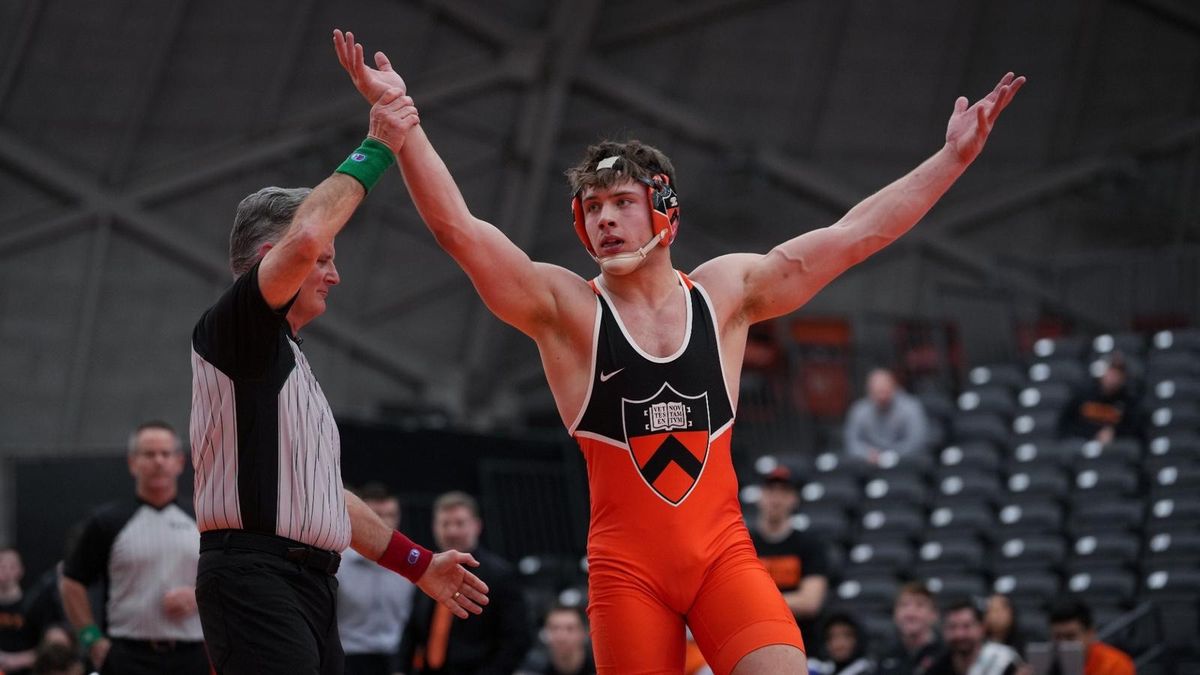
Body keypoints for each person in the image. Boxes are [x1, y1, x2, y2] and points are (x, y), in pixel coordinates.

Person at [333, 28, 1024, 674]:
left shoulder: (725, 293)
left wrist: (951, 159)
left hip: (724, 559)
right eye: (592, 205)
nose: (603, 217)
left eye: (620, 202)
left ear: (663, 212)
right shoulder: (566, 310)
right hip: (626, 575)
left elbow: (853, 236)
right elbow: (461, 231)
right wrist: (405, 126)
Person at [188, 92, 488, 675]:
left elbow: (330, 503)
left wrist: (419, 564)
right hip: (252, 577)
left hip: (308, 583)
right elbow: (303, 238)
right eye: (324, 260)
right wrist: (379, 146)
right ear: (275, 260)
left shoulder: (292, 363)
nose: (334, 273)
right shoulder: (235, 328)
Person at [58, 421, 208, 675]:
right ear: (132, 462)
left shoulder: (203, 519)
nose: (158, 461)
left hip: (193, 654)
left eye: (166, 453)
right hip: (128, 656)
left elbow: (229, 579)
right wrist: (90, 639)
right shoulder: (107, 522)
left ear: (179, 462)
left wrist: (198, 596)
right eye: (149, 454)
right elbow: (71, 582)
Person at [399, 491, 530, 674]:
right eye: (445, 524)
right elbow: (412, 630)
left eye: (459, 523)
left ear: (477, 526)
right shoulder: (427, 569)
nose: (452, 531)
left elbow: (517, 640)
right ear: (434, 527)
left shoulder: (500, 575)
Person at [336, 483, 416, 675]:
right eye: (378, 516)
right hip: (349, 658)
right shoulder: (337, 562)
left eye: (392, 515)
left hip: (398, 660)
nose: (386, 523)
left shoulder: (410, 563)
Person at [748, 466, 830, 640]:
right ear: (760, 496)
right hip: (754, 639)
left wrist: (754, 604)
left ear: (794, 499)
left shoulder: (810, 544)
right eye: (770, 491)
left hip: (800, 640)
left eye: (784, 492)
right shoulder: (743, 543)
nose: (776, 499)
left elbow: (810, 602)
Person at [844, 369, 930, 465]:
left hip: (905, 464)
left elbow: (917, 442)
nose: (882, 397)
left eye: (884, 391)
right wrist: (866, 454)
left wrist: (891, 455)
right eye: (877, 392)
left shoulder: (911, 407)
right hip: (869, 464)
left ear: (894, 388)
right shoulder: (859, 410)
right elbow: (852, 442)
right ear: (869, 391)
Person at [1058, 353, 1140, 444]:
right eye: (1110, 372)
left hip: (1112, 448)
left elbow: (1134, 430)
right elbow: (1066, 424)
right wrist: (1092, 434)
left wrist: (1115, 433)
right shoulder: (1084, 394)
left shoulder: (1128, 401)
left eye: (1117, 374)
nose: (1112, 378)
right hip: (1081, 444)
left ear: (1123, 378)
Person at [927, 598, 1021, 675]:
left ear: (982, 628)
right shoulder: (936, 667)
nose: (960, 634)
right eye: (952, 627)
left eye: (966, 626)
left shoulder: (1005, 662)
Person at [1046, 598, 1134, 675]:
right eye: (1057, 637)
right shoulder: (1045, 665)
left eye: (1070, 637)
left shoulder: (1116, 664)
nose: (1063, 644)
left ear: (1090, 634)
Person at [876, 582, 944, 675]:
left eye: (919, 605)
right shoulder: (883, 654)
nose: (910, 613)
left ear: (934, 614)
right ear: (894, 614)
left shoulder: (947, 655)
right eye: (903, 605)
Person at [527, 604, 596, 675]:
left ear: (583, 633)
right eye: (554, 628)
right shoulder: (531, 669)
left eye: (570, 629)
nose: (561, 637)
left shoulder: (599, 668)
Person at [0, 547, 35, 675]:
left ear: (20, 570)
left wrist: (14, 660)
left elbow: (46, 648)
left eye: (11, 566)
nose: (6, 570)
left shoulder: (32, 606)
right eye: (1, 565)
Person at [807, 611, 874, 675]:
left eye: (847, 635)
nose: (839, 644)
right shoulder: (816, 668)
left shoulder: (872, 670)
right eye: (831, 637)